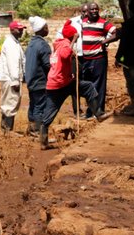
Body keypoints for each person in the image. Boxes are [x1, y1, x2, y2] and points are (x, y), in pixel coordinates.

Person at [40, 20, 108, 150]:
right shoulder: (65, 44)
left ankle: (98, 114)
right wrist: (73, 42)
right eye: (75, 36)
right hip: (59, 85)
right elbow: (65, 55)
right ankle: (98, 114)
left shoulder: (58, 44)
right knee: (50, 112)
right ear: (72, 35)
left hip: (62, 82)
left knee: (87, 87)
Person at [81, 2, 117, 117]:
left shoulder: (103, 23)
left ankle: (99, 111)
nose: (94, 11)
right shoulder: (82, 23)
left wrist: (104, 42)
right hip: (85, 59)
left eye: (96, 9)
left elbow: (117, 33)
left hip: (98, 59)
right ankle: (90, 111)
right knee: (88, 86)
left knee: (99, 85)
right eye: (92, 9)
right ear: (87, 12)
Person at [0, 20, 26, 134]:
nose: (21, 31)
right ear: (12, 30)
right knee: (10, 103)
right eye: (19, 29)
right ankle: (7, 131)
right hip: (11, 79)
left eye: (22, 29)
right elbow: (13, 64)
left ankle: (6, 130)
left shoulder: (14, 42)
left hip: (9, 78)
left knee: (9, 103)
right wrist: (15, 82)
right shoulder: (10, 44)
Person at [24, 16, 51, 137]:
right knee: (40, 106)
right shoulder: (42, 45)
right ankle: (39, 132)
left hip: (31, 80)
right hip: (40, 81)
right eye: (46, 27)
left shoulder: (31, 43)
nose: (47, 29)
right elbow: (47, 65)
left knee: (33, 104)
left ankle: (32, 128)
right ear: (41, 29)